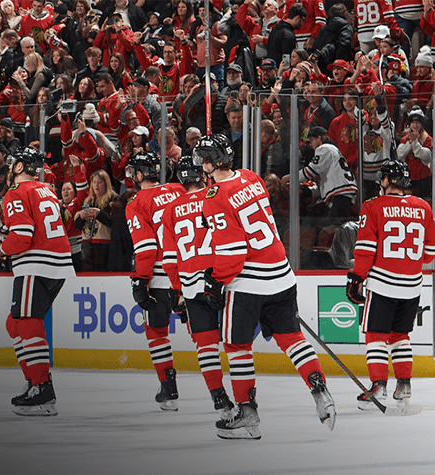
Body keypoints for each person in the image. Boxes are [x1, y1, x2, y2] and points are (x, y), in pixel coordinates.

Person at [196, 135, 337, 440]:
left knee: (237, 347)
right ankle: (320, 391)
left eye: (203, 160)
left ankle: (247, 412)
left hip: (248, 282)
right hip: (282, 275)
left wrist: (215, 280)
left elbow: (232, 254)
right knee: (293, 340)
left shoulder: (213, 197)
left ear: (209, 162)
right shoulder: (251, 178)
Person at [0, 148, 75, 416]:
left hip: (35, 264)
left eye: (12, 163)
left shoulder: (16, 193)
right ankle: (34, 380)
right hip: (58, 263)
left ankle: (41, 388)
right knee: (14, 322)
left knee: (27, 323)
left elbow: (23, 238)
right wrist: (7, 233)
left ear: (19, 167)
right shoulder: (47, 190)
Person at [347, 160, 435, 411]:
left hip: (383, 283)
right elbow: (430, 252)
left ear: (386, 181)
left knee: (376, 336)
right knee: (401, 336)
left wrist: (356, 278)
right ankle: (404, 385)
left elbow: (365, 250)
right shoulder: (423, 206)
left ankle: (378, 386)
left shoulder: (372, 206)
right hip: (412, 285)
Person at [156, 156, 239, 421]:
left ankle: (219, 398)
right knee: (236, 343)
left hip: (191, 287)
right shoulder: (214, 195)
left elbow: (169, 261)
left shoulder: (170, 210)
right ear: (202, 174)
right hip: (221, 281)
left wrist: (177, 289)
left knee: (205, 345)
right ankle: (246, 400)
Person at [121, 153, 187, 411]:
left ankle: (168, 387)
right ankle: (220, 395)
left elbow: (146, 248)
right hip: (189, 273)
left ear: (138, 174)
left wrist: (140, 281)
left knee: (157, 332)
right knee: (202, 334)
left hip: (160, 276)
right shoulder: (179, 189)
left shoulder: (136, 202)